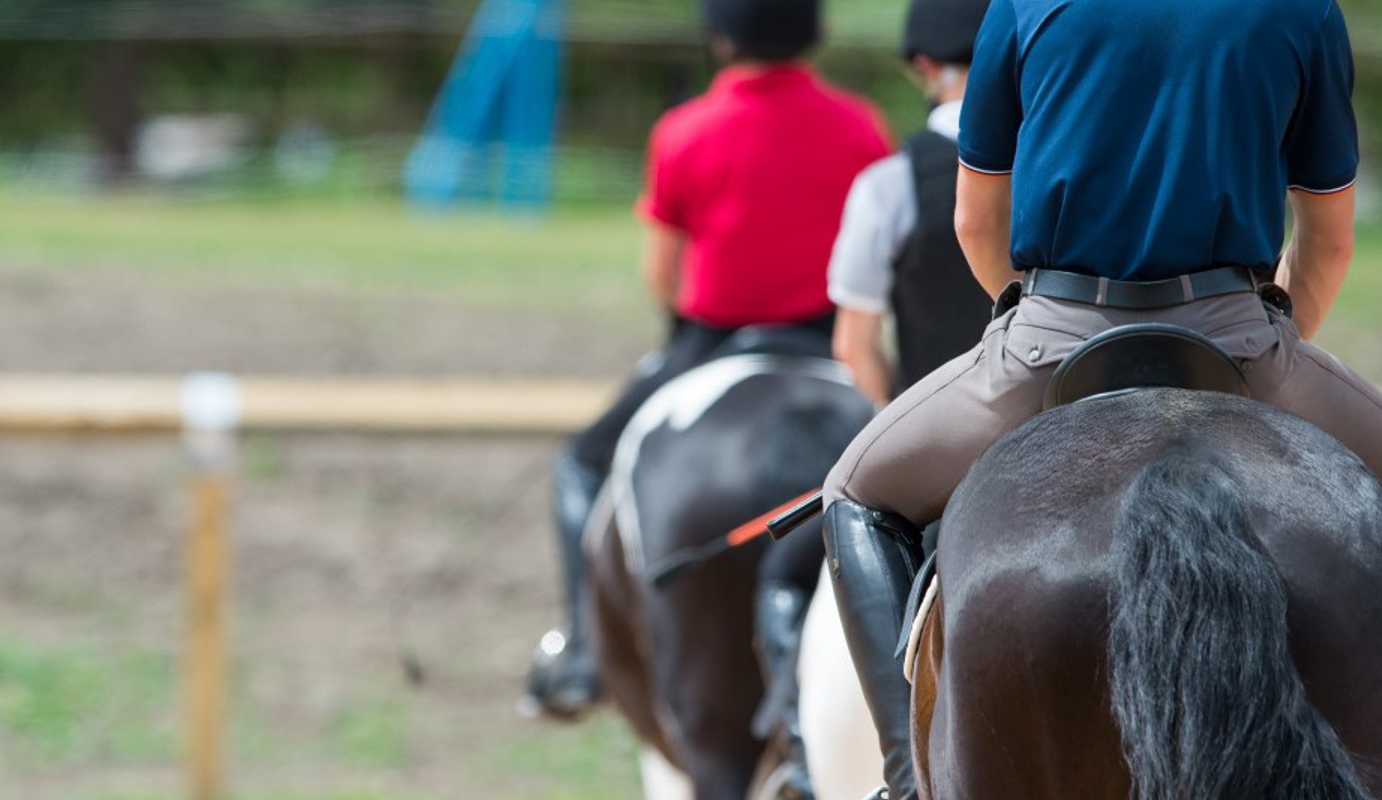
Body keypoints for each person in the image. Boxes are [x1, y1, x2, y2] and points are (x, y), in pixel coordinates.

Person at [819, 0, 1382, 797]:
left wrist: (1033, 324)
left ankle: (906, 779)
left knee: (856, 489)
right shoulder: (1303, 8)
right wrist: (1269, 347)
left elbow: (977, 221)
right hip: (1237, 334)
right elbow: (1326, 239)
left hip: (1052, 331)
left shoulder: (1021, 4)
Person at [523, 0, 891, 718]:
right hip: (833, 338)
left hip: (711, 341)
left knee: (580, 463)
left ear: (719, 36)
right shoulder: (860, 124)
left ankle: (583, 649)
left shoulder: (684, 130)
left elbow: (661, 271)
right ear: (816, 34)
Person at [826, 0, 995, 407]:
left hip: (937, 427)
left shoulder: (887, 184)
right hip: (1055, 424)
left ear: (925, 66)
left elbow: (854, 346)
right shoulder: (1060, 166)